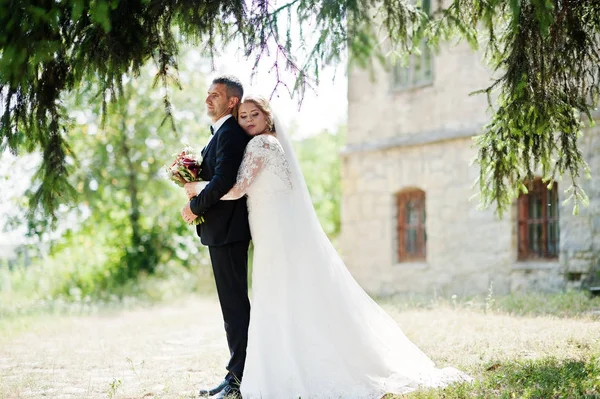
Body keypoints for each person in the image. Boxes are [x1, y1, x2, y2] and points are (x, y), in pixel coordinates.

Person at [183, 96, 471, 398]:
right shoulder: (270, 143)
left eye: (255, 114)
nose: (249, 120)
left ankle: (288, 360)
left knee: (278, 290)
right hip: (272, 225)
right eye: (243, 116)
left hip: (274, 229)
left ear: (268, 117)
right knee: (285, 290)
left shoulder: (260, 145)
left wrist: (197, 189)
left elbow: (238, 189)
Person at [180, 76, 251, 399]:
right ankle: (234, 374)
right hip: (221, 232)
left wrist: (195, 206)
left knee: (235, 308)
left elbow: (223, 181)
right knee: (231, 308)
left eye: (216, 95)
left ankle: (239, 379)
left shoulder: (231, 133)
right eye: (207, 94)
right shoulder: (220, 133)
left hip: (229, 232)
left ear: (232, 101)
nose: (208, 100)